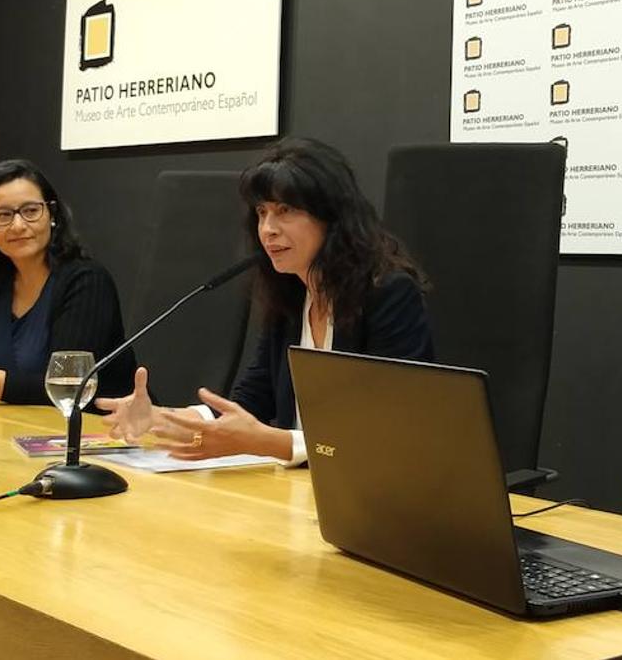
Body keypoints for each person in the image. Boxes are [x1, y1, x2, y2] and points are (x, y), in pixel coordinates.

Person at [97, 137, 433, 465]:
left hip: (369, 494)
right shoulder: (290, 297)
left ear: (331, 217)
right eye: (261, 212)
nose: (267, 229)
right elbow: (251, 402)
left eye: (284, 211)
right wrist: (161, 418)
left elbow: (391, 430)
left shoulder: (387, 294)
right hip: (299, 490)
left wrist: (272, 442)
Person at [0, 159, 134, 404]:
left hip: (99, 431)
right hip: (17, 426)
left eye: (30, 211)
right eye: (3, 215)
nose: (18, 225)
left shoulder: (87, 281)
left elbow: (64, 388)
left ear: (52, 214)